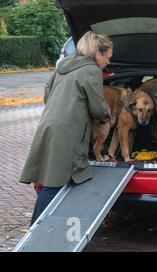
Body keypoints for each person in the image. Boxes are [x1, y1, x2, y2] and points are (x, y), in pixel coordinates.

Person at [20, 31, 112, 226]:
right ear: (98, 54)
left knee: (55, 179)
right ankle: (36, 232)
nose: (108, 62)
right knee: (55, 184)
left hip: (49, 125)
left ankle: (52, 226)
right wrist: (107, 118)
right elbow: (97, 107)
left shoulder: (64, 65)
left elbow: (47, 93)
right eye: (108, 57)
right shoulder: (91, 70)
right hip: (67, 132)